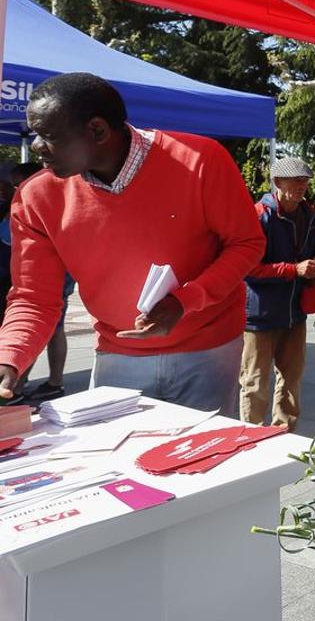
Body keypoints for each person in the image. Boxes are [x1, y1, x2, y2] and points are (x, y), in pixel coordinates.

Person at [0, 73, 264, 411]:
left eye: (49, 135)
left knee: (204, 461)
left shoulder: (199, 159)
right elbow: (35, 298)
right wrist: (10, 355)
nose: (37, 146)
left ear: (97, 130)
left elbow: (246, 243)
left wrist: (186, 300)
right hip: (118, 353)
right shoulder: (36, 197)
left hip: (208, 350)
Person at [239, 156, 315, 430]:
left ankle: (284, 436)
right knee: (254, 382)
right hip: (260, 316)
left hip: (295, 314)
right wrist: (294, 270)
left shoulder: (309, 215)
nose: (302, 186)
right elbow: (248, 269)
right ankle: (249, 438)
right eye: (295, 180)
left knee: (292, 379)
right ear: (277, 182)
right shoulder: (258, 216)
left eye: (305, 181)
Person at [2, 162, 73, 402]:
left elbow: (37, 302)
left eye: (16, 184)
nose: (37, 143)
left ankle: (26, 385)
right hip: (45, 287)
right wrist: (9, 358)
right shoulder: (27, 205)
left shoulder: (42, 201)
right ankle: (24, 383)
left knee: (52, 330)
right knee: (47, 330)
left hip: (56, 282)